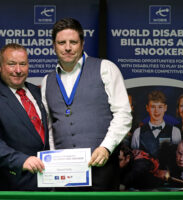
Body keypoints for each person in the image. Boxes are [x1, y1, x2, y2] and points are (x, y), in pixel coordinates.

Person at [41, 18, 132, 191]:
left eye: (73, 42)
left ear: (82, 44)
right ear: (54, 46)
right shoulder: (47, 80)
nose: (68, 47)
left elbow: (123, 114)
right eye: (62, 42)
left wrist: (106, 148)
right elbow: (50, 127)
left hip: (102, 172)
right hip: (63, 175)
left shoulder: (106, 68)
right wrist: (53, 162)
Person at [0, 43, 50, 190]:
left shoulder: (39, 92)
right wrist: (21, 161)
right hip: (8, 187)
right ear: (0, 66)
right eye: (12, 64)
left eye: (23, 64)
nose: (18, 70)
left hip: (46, 184)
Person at [131, 90, 181, 161]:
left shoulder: (175, 132)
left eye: (160, 107)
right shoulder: (137, 132)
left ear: (165, 108)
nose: (156, 111)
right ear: (147, 108)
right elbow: (134, 160)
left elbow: (177, 159)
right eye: (153, 107)